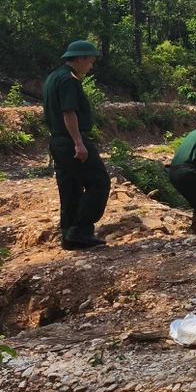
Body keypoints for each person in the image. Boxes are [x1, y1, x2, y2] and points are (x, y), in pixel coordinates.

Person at [42, 40, 111, 250]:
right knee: (99, 181)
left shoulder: (54, 77)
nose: (90, 67)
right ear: (80, 58)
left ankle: (70, 235)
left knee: (70, 187)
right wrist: (79, 143)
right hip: (71, 140)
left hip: (57, 141)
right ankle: (81, 230)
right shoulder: (69, 80)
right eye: (90, 62)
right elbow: (68, 112)